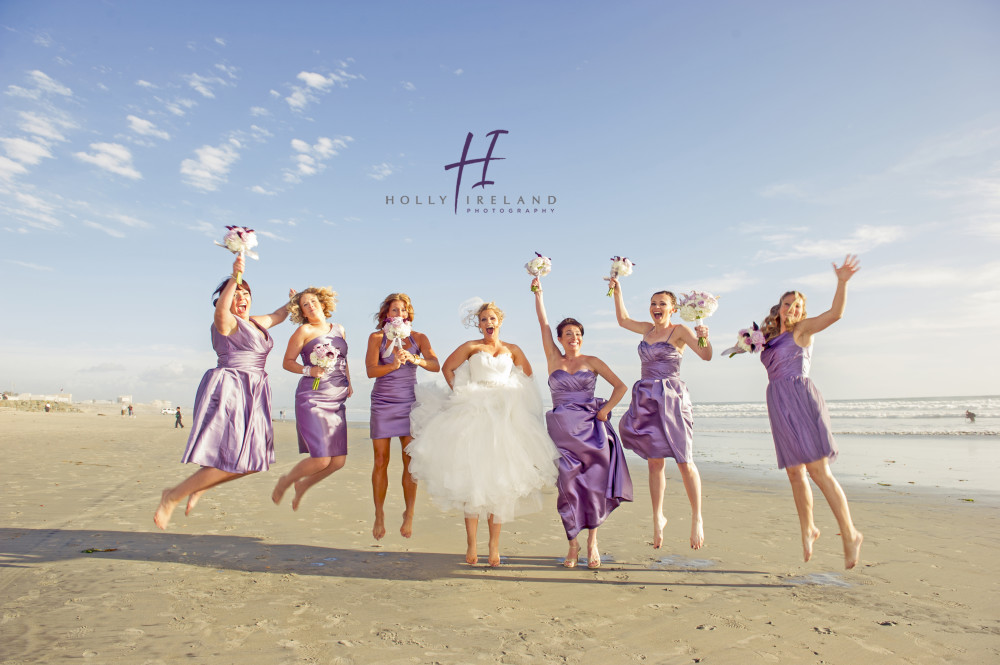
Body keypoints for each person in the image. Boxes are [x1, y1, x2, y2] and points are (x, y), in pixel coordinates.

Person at [407, 300, 559, 567]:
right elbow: (447, 368)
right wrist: (461, 391)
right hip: (473, 413)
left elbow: (527, 377)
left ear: (499, 321)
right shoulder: (471, 347)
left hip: (504, 417)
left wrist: (513, 397)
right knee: (473, 479)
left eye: (492, 319)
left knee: (499, 482)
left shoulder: (512, 350)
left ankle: (494, 545)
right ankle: (471, 543)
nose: (489, 323)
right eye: (484, 320)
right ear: (479, 324)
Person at [154, 255, 292, 530]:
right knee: (231, 458)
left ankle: (201, 487)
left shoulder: (255, 321)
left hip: (256, 390)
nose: (242, 297)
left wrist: (294, 302)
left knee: (253, 463)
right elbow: (221, 311)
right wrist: (234, 277)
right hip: (232, 388)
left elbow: (279, 315)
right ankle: (172, 496)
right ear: (226, 299)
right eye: (236, 293)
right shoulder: (225, 322)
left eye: (246, 293)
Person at [759, 254, 863, 569]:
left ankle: (850, 533)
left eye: (799, 306)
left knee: (818, 472)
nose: (794, 309)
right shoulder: (766, 337)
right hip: (778, 402)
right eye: (789, 304)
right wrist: (738, 346)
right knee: (794, 472)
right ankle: (809, 528)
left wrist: (842, 282)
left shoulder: (803, 330)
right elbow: (742, 349)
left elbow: (836, 313)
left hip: (802, 400)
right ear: (779, 308)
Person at [532, 277, 632, 569]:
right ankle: (573, 544)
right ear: (560, 339)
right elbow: (543, 324)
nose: (573, 337)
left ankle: (592, 542)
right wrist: (538, 292)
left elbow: (621, 387)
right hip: (562, 434)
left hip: (592, 433)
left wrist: (607, 410)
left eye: (577, 333)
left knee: (594, 488)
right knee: (568, 486)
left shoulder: (593, 361)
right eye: (567, 334)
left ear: (581, 337)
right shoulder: (554, 358)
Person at [608, 276, 712, 550]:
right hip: (646, 397)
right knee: (655, 461)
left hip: (672, 399)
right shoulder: (646, 330)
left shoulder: (679, 331)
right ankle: (658, 517)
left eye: (662, 303)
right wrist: (618, 290)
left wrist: (703, 338)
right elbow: (622, 319)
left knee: (684, 460)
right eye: (653, 303)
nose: (656, 307)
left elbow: (706, 356)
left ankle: (697, 517)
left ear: (673, 309)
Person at [365, 293, 440, 540]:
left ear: (408, 314)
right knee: (380, 460)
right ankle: (378, 513)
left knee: (410, 460)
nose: (399, 314)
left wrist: (415, 359)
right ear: (387, 314)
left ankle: (409, 513)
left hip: (409, 403)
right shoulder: (376, 338)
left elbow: (435, 364)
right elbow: (371, 371)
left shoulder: (418, 337)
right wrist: (393, 365)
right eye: (394, 310)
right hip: (383, 403)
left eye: (403, 310)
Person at [272, 287, 352, 511]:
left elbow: (344, 359)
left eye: (313, 301)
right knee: (321, 459)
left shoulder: (339, 329)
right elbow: (287, 362)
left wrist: (349, 382)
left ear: (323, 302)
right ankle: (286, 481)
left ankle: (303, 485)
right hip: (313, 396)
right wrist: (309, 370)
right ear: (302, 312)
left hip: (337, 397)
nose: (311, 306)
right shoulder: (303, 331)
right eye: (305, 304)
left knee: (338, 462)